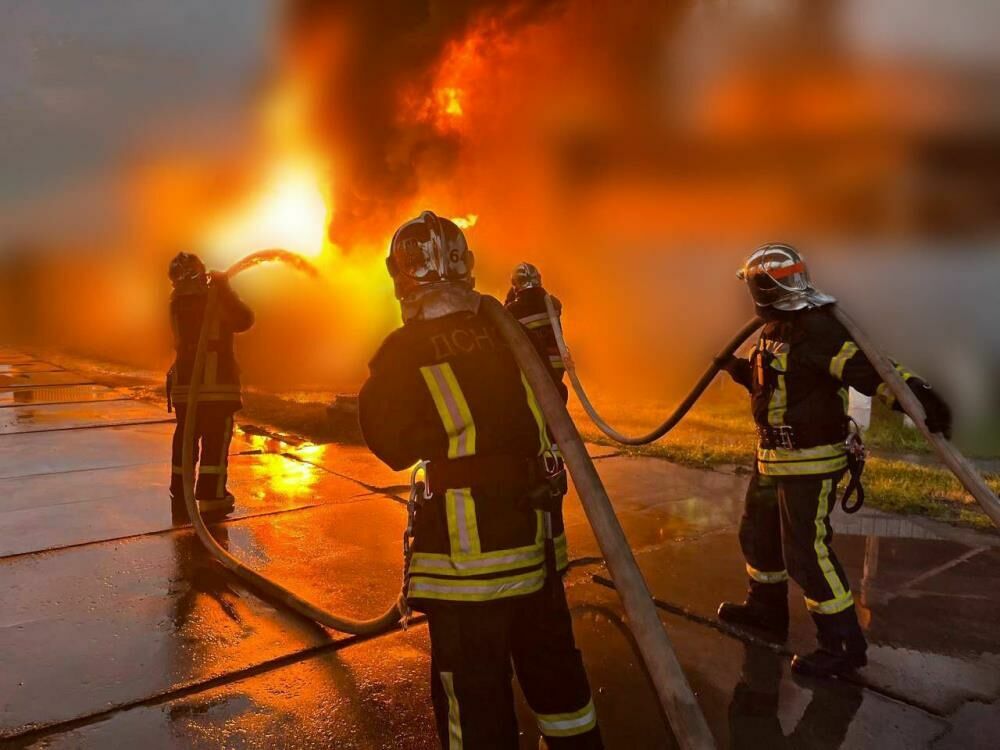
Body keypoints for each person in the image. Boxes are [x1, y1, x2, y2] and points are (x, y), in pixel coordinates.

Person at [358, 211, 601, 748]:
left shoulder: (402, 351)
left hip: (467, 567)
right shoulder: (507, 332)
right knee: (558, 680)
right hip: (538, 551)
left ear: (399, 275)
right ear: (466, 266)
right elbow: (551, 405)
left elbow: (392, 446)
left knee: (475, 698)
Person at [717, 243, 952, 678]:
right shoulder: (774, 328)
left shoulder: (818, 328)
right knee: (758, 536)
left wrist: (918, 395)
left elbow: (871, 370)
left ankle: (842, 644)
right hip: (770, 457)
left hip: (810, 461)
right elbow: (782, 383)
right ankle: (766, 610)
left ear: (760, 288)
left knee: (807, 553)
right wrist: (742, 372)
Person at [167, 252, 254, 524]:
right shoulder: (213, 297)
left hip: (185, 387)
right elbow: (244, 320)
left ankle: (180, 493)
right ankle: (211, 496)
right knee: (215, 442)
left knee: (185, 438)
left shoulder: (176, 302)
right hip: (216, 388)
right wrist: (224, 286)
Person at [504, 262, 567, 389]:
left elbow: (502, 318)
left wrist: (509, 298)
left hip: (537, 365)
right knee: (556, 398)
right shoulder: (552, 303)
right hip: (557, 364)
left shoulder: (513, 310)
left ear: (516, 283)